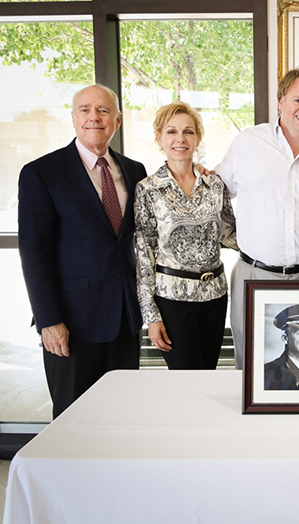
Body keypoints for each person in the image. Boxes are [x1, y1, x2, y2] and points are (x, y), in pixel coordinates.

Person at [18, 85, 147, 418]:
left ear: (117, 121)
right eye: (85, 110)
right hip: (72, 323)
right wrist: (49, 320)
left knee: (121, 414)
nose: (94, 117)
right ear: (73, 118)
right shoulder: (41, 173)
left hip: (124, 321)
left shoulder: (134, 171)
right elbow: (35, 253)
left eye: (103, 111)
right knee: (72, 420)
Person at [215, 68, 299, 369]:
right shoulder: (247, 144)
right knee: (251, 366)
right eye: (298, 100)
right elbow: (215, 192)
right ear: (281, 101)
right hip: (254, 275)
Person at [133, 102, 237, 370]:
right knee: (185, 379)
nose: (180, 139)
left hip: (215, 297)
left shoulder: (215, 184)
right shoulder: (148, 189)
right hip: (172, 302)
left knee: (208, 375)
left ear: (198, 138)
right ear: (159, 138)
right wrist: (151, 316)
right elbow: (144, 254)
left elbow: (230, 234)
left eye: (188, 132)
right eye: (171, 132)